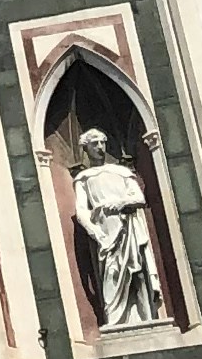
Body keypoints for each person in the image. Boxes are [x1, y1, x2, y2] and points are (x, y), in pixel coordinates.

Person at [68, 128, 166, 331]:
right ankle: (115, 320)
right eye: (94, 144)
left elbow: (139, 198)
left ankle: (147, 316)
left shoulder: (122, 172)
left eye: (102, 143)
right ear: (85, 148)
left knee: (137, 271)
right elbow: (81, 211)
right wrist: (94, 231)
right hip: (105, 234)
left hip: (128, 227)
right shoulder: (84, 178)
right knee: (111, 276)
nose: (99, 147)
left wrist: (121, 203)